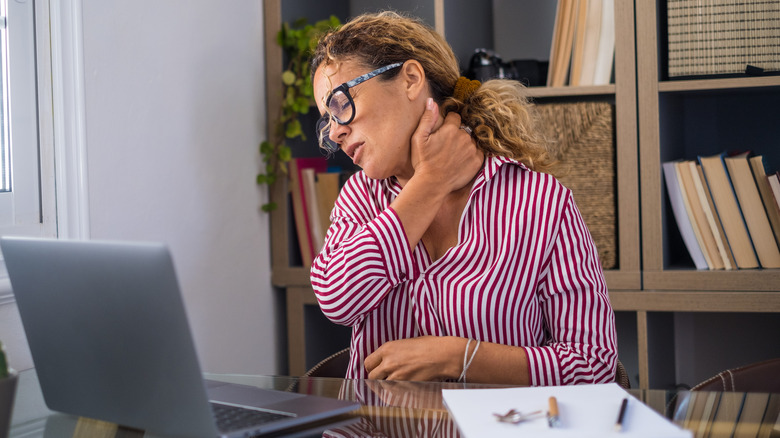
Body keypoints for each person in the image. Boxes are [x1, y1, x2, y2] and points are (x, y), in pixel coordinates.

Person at [309, 11, 617, 386]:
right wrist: (431, 181)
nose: (336, 133)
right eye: (327, 120)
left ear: (410, 79)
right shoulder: (360, 196)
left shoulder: (541, 203)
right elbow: (338, 300)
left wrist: (459, 357)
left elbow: (593, 364)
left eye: (341, 103)